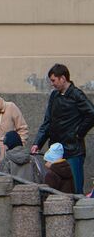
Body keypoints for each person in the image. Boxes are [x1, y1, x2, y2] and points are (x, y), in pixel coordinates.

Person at [32, 64, 94, 193]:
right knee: (57, 188)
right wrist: (37, 142)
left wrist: (78, 133)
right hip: (56, 150)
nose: (52, 84)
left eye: (54, 80)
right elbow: (48, 121)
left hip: (73, 149)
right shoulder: (54, 96)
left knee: (75, 188)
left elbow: (91, 114)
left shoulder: (77, 95)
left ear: (63, 78)